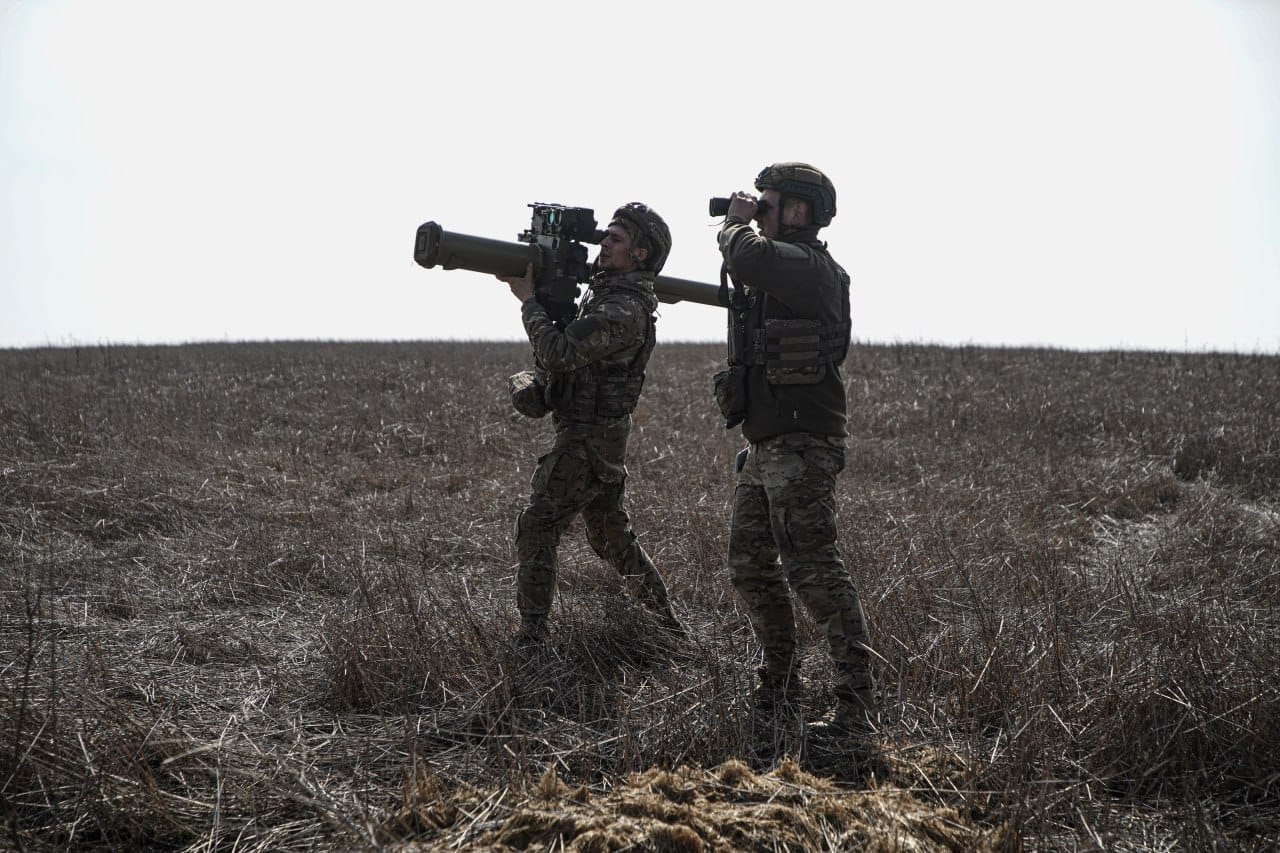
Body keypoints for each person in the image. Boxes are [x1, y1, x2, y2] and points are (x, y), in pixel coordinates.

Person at [712, 163, 877, 736]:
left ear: (800, 212)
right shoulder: (779, 275)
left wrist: (735, 225)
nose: (760, 211)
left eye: (769, 203)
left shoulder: (811, 269)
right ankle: (781, 685)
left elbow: (748, 256)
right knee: (748, 566)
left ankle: (857, 706)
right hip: (764, 448)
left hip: (804, 445)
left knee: (813, 570)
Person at [496, 203, 682, 646]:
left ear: (640, 255)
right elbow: (566, 362)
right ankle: (670, 630)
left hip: (587, 442)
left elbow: (560, 351)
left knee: (538, 526)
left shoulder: (622, 310)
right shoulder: (604, 298)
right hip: (596, 440)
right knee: (609, 535)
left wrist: (529, 304)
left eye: (616, 238)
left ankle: (531, 638)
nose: (605, 243)